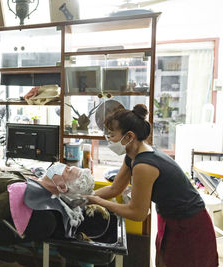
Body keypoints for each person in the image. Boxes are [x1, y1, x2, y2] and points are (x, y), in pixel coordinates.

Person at [83, 104, 218, 267]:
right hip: (169, 217)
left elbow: (138, 213)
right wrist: (83, 198)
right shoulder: (132, 155)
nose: (109, 140)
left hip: (189, 225)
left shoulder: (144, 165)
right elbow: (115, 188)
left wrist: (97, 201)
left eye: (111, 135)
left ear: (129, 136)